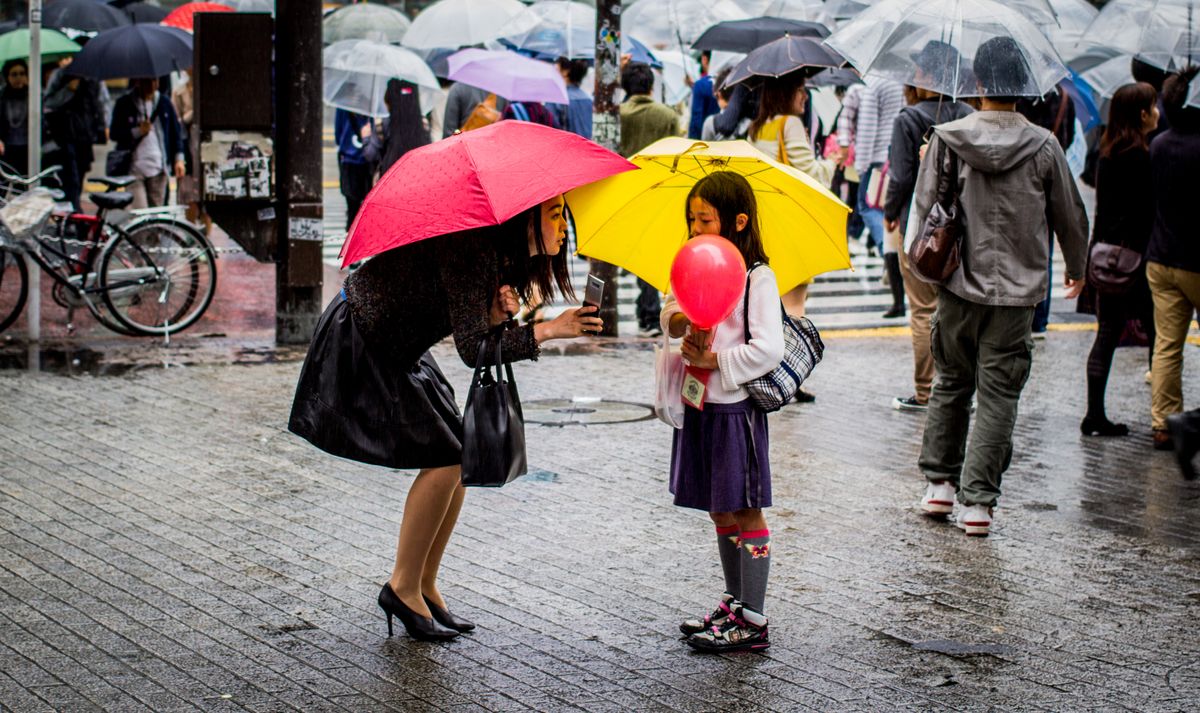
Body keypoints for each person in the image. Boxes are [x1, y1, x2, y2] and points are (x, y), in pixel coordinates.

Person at [289, 196, 603, 641]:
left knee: (455, 456)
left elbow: (476, 332)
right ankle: (402, 586)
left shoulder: (499, 254)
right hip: (364, 337)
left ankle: (423, 585)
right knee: (445, 459)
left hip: (399, 345)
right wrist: (550, 329)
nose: (564, 226)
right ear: (527, 217)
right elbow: (472, 350)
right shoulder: (475, 249)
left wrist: (495, 316)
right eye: (555, 215)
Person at [915, 37, 1088, 537]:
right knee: (998, 394)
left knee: (951, 381)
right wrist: (1076, 266)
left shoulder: (947, 138)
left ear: (979, 82)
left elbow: (925, 211)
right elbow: (1070, 216)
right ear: (1023, 85)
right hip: (1018, 294)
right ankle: (979, 505)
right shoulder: (1044, 144)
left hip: (956, 285)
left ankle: (940, 486)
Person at [662, 171, 784, 653]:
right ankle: (734, 602)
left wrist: (718, 360)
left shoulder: (758, 276)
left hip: (736, 410)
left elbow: (768, 348)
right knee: (719, 508)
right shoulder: (695, 263)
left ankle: (753, 618)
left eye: (705, 219)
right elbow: (672, 313)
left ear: (737, 220)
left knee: (745, 507)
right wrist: (684, 324)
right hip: (701, 404)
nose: (695, 229)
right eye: (691, 219)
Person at [883, 41, 974, 411]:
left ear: (932, 75)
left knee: (922, 310)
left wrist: (890, 210)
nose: (914, 76)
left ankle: (926, 391)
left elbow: (902, 176)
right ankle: (958, 390)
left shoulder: (908, 119)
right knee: (956, 308)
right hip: (964, 224)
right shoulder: (969, 113)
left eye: (920, 70)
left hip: (920, 224)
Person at [1080, 82, 1159, 438]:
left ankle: (1094, 413)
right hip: (1138, 260)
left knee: (1107, 335)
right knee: (1160, 336)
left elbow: (1101, 213)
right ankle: (1163, 414)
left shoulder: (1108, 153)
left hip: (1107, 258)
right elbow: (1146, 213)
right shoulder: (1142, 156)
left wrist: (1089, 259)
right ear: (1142, 114)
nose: (1157, 113)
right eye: (1153, 107)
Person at [748, 73, 833, 320]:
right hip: (790, 223)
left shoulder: (757, 128)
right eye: (800, 90)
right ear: (786, 93)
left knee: (767, 304)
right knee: (794, 306)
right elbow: (812, 174)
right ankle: (791, 358)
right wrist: (831, 163)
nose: (805, 96)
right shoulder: (790, 124)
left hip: (763, 224)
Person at [1145, 68, 1200, 451]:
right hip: (1197, 260)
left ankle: (1163, 423)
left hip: (1161, 258)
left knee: (1167, 344)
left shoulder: (1159, 144)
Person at [619, 61, 680, 337]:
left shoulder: (617, 114)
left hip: (625, 192)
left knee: (635, 252)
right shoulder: (666, 115)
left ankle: (646, 312)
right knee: (653, 252)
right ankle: (649, 314)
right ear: (651, 86)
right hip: (659, 190)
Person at [1018, 84, 1077, 337]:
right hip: (1051, 178)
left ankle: (1021, 311)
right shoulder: (1064, 98)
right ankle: (1040, 317)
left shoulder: (1019, 96)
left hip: (1022, 179)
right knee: (1045, 251)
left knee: (1019, 248)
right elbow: (1070, 137)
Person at [844, 77, 904, 258]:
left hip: (876, 159)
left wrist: (861, 165)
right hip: (898, 156)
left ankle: (887, 253)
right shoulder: (903, 84)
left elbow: (867, 128)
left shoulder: (876, 86)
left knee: (867, 206)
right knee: (890, 209)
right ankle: (894, 255)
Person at [109, 78, 185, 210]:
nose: (151, 85)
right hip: (134, 167)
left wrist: (179, 159)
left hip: (159, 167)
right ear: (138, 82)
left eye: (155, 81)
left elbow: (175, 133)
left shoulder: (164, 103)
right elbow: (114, 133)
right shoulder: (125, 103)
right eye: (146, 81)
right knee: (140, 211)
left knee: (157, 213)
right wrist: (138, 131)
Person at [45, 63, 108, 211]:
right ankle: (75, 215)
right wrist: (68, 90)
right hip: (64, 138)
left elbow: (98, 104)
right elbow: (49, 103)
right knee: (70, 180)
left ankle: (74, 213)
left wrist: (102, 126)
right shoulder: (60, 75)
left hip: (84, 137)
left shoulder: (92, 78)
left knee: (79, 178)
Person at [365, 79, 431, 176]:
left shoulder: (382, 124)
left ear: (388, 100)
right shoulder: (423, 123)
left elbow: (371, 155)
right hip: (419, 175)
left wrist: (366, 137)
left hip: (390, 177)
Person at [334, 107, 373, 229]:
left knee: (352, 208)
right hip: (368, 159)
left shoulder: (343, 103)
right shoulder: (372, 101)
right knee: (369, 209)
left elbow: (337, 134)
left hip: (349, 159)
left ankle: (351, 241)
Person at [441, 81, 506, 138]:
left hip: (462, 147)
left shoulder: (458, 88)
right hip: (490, 147)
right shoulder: (503, 92)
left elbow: (448, 133)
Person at [0, 59, 29, 176]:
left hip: (29, 147)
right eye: (14, 74)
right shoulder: (2, 97)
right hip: (7, 148)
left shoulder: (35, 96)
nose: (19, 78)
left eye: (22, 73)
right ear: (7, 77)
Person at [552, 57, 592, 139]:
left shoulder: (556, 100)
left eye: (557, 66)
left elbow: (550, 131)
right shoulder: (589, 99)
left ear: (566, 71)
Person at [688, 50, 720, 140]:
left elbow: (696, 120)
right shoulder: (732, 81)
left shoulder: (701, 85)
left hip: (704, 141)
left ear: (704, 59)